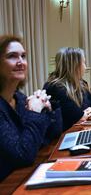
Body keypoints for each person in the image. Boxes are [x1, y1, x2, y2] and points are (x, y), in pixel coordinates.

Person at [0, 35, 62, 181]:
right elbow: (23, 154)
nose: (21, 62)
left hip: (27, 174)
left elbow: (51, 136)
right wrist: (34, 112)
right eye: (12, 56)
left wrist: (48, 109)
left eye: (23, 56)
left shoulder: (19, 98)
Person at [44, 47, 91, 132]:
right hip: (60, 139)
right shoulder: (56, 88)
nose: (85, 67)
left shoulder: (80, 83)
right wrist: (85, 114)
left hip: (77, 130)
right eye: (84, 63)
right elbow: (78, 118)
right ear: (74, 66)